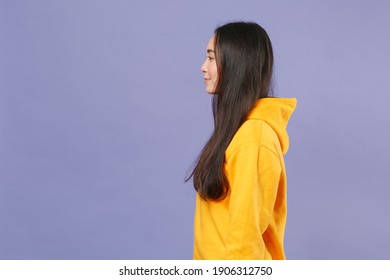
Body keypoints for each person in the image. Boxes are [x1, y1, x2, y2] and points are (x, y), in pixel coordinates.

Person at [186, 21, 297, 260]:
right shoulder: (238, 132)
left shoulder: (254, 139)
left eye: (212, 58)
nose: (203, 68)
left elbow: (245, 242)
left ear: (235, 64)